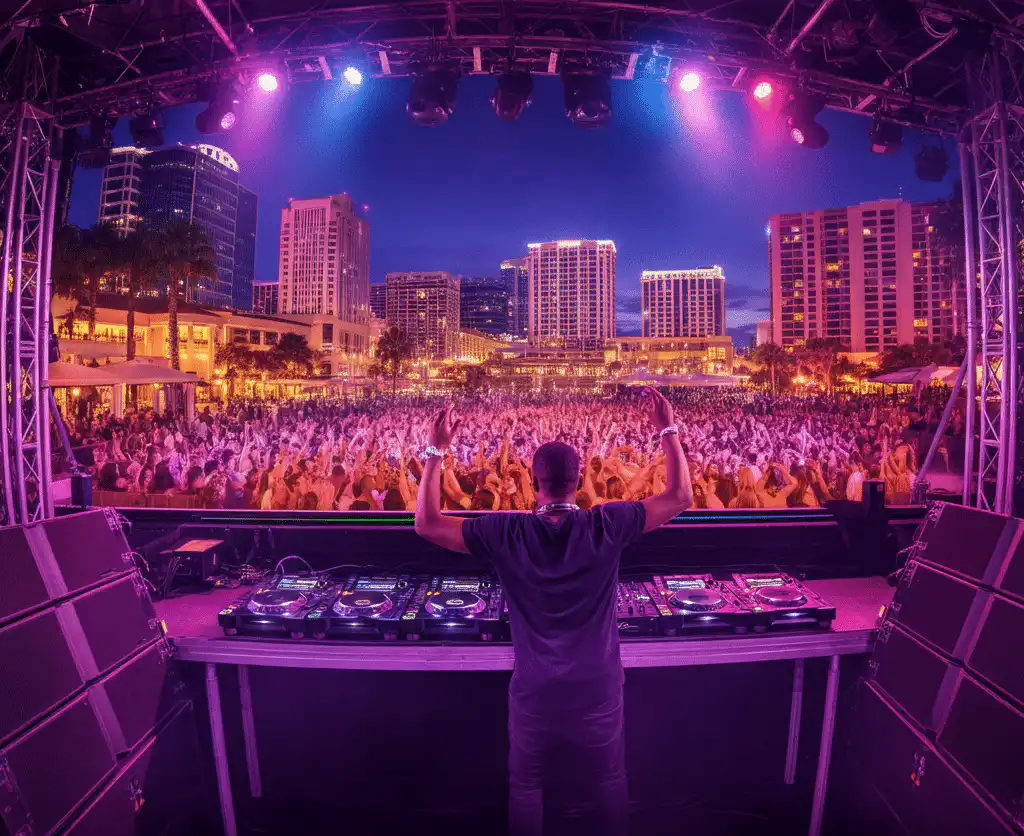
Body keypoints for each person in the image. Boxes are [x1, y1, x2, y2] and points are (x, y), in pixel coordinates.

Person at [413, 388, 693, 836]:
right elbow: (679, 496)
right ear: (579, 478)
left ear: (533, 478)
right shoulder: (607, 522)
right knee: (609, 779)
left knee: (526, 786)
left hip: (536, 686)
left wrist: (435, 452)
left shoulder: (508, 531)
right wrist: (667, 428)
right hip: (597, 684)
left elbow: (426, 523)